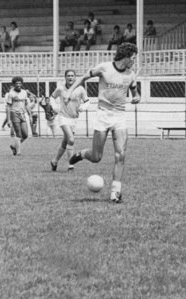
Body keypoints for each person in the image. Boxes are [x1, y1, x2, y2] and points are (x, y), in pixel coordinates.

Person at [65, 43, 140, 203]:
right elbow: (84, 77)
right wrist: (70, 91)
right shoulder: (104, 68)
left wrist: (136, 97)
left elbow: (135, 92)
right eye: (133, 57)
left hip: (119, 116)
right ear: (126, 56)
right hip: (103, 115)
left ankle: (115, 192)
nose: (135, 60)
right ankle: (82, 154)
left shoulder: (131, 74)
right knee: (96, 156)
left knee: (121, 155)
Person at [50, 69, 89, 171]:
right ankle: (71, 165)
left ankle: (54, 161)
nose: (70, 77)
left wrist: (83, 107)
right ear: (65, 77)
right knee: (71, 139)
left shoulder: (80, 89)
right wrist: (55, 107)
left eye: (72, 76)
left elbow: (87, 101)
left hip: (74, 119)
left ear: (75, 78)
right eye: (68, 76)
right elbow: (52, 97)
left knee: (65, 142)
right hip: (63, 117)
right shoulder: (60, 89)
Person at [6, 76, 36, 156]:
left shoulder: (24, 92)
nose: (18, 85)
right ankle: (18, 152)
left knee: (25, 135)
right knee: (18, 134)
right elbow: (8, 107)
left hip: (22, 114)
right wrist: (8, 120)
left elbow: (26, 104)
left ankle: (14, 146)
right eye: (16, 83)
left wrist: (30, 115)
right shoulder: (11, 94)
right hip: (14, 113)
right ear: (13, 84)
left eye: (20, 83)